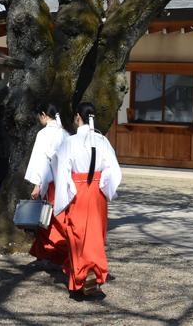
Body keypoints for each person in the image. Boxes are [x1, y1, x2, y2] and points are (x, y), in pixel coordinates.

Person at [53, 102, 122, 296]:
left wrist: (66, 192)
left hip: (78, 191)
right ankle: (95, 274)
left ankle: (80, 277)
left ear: (77, 117)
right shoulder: (103, 140)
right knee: (95, 235)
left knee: (77, 234)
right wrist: (105, 187)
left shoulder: (71, 142)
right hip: (97, 192)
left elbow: (60, 168)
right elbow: (114, 170)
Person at [25, 100, 70, 266]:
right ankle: (59, 255)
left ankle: (52, 254)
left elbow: (40, 161)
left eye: (40, 116)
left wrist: (37, 184)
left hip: (49, 183)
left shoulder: (43, 134)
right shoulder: (65, 134)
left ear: (43, 115)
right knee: (60, 219)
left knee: (49, 220)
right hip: (64, 182)